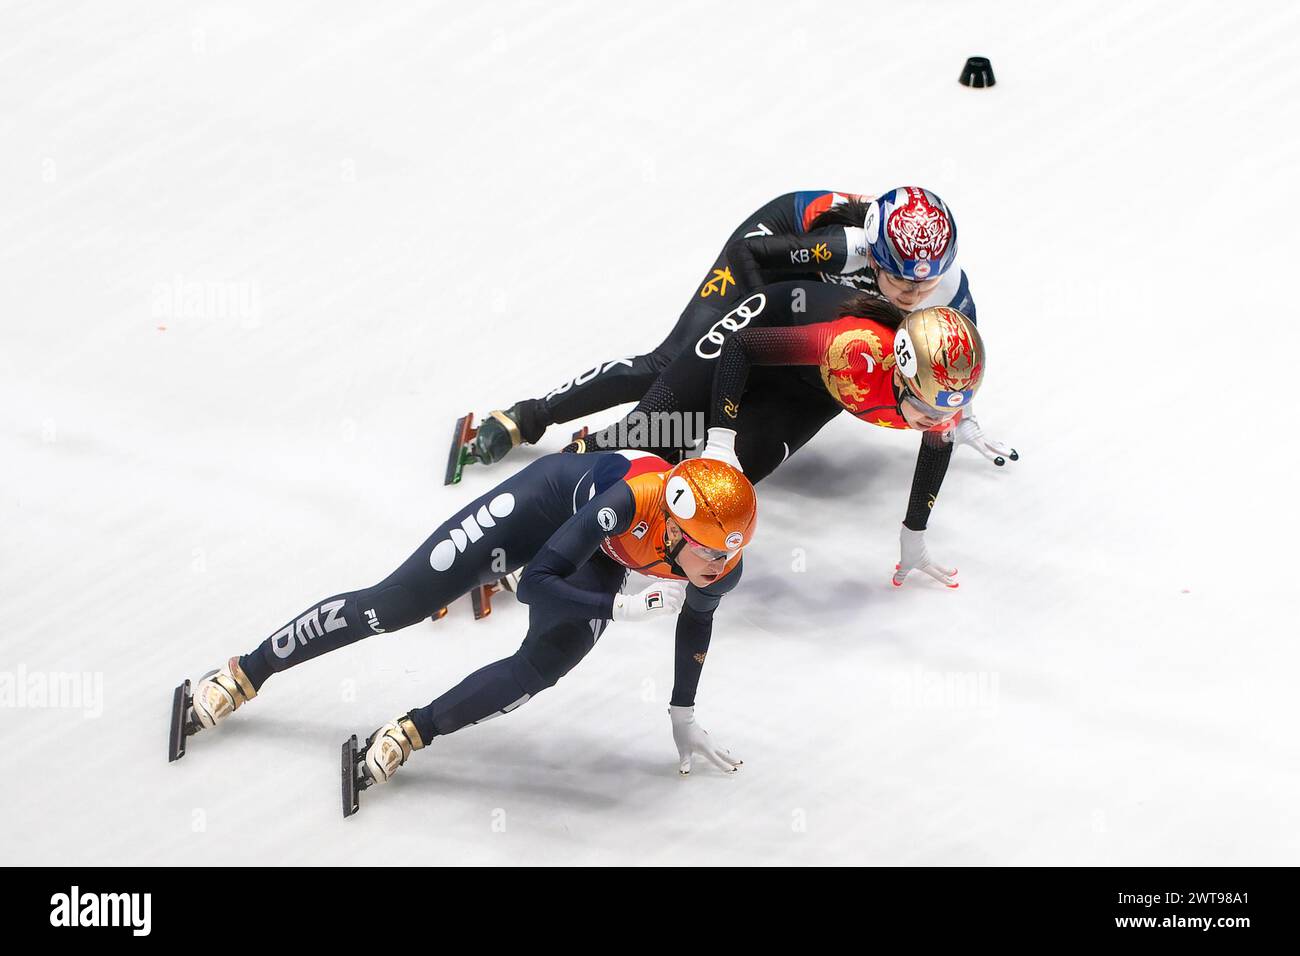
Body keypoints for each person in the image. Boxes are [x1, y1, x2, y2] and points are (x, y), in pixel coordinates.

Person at [171, 451, 758, 799]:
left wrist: (682, 712)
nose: (718, 569)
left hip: (598, 556)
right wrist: (621, 609)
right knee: (394, 606)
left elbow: (695, 626)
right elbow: (537, 584)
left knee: (543, 667)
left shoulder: (717, 564)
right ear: (677, 528)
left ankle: (411, 732)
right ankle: (246, 671)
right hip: (544, 508)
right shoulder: (632, 500)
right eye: (710, 554)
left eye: (727, 557)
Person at [464, 187, 981, 468]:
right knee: (672, 364)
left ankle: (647, 440)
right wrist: (747, 321)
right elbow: (748, 255)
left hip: (820, 300)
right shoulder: (844, 246)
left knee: (748, 391)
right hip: (772, 250)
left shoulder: (948, 289)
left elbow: (951, 360)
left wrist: (965, 417)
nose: (914, 296)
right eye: (899, 281)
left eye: (926, 284)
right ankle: (526, 416)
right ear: (873, 255)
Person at [578, 281, 1009, 587]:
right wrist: (720, 437)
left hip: (810, 392)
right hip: (768, 327)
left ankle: (614, 537)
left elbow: (936, 452)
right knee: (652, 429)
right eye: (927, 407)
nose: (934, 421)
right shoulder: (853, 352)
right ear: (898, 374)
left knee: (724, 482)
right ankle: (573, 462)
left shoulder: (939, 397)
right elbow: (742, 347)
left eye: (945, 412)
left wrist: (913, 534)